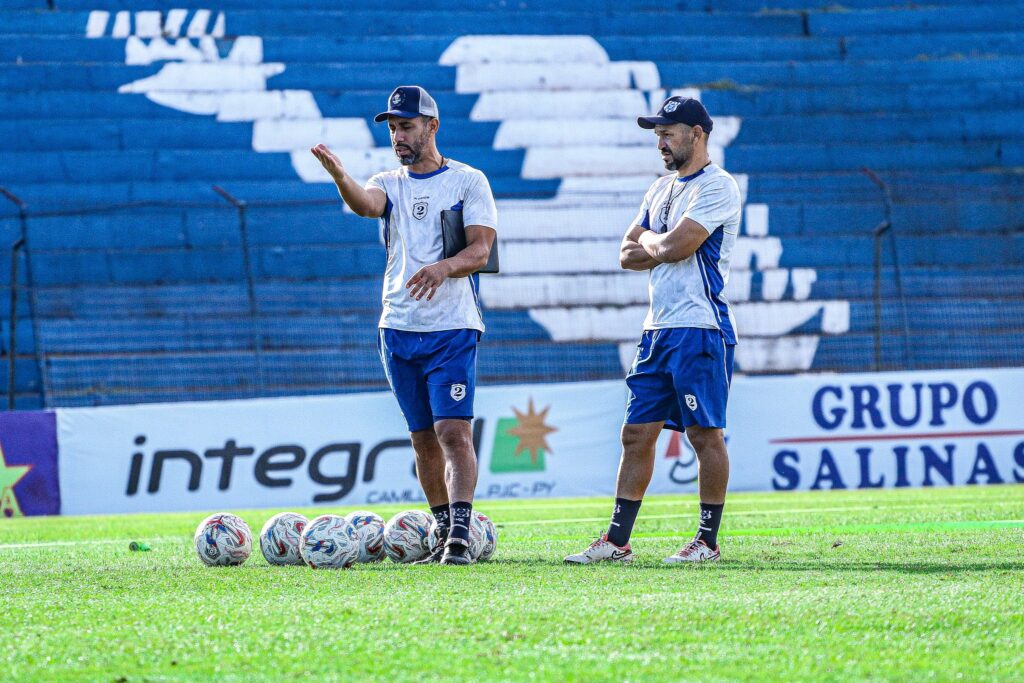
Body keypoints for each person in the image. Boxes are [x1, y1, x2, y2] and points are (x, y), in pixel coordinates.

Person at [310, 85, 498, 565]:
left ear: (432, 127)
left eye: (407, 125)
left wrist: (443, 267)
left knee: (453, 431)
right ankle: (439, 525)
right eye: (393, 127)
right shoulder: (388, 182)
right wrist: (339, 175)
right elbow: (365, 205)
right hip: (397, 326)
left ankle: (460, 532)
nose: (398, 135)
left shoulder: (468, 181)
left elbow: (481, 249)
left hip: (452, 327)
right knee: (421, 437)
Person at [565, 96, 741, 565]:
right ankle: (618, 541)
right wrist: (653, 242)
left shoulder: (718, 187)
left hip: (700, 328)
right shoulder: (660, 189)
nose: (660, 141)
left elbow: (675, 246)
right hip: (657, 330)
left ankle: (707, 541)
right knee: (635, 434)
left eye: (668, 132)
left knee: (704, 435)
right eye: (657, 133)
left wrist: (651, 241)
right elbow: (628, 254)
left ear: (697, 134)